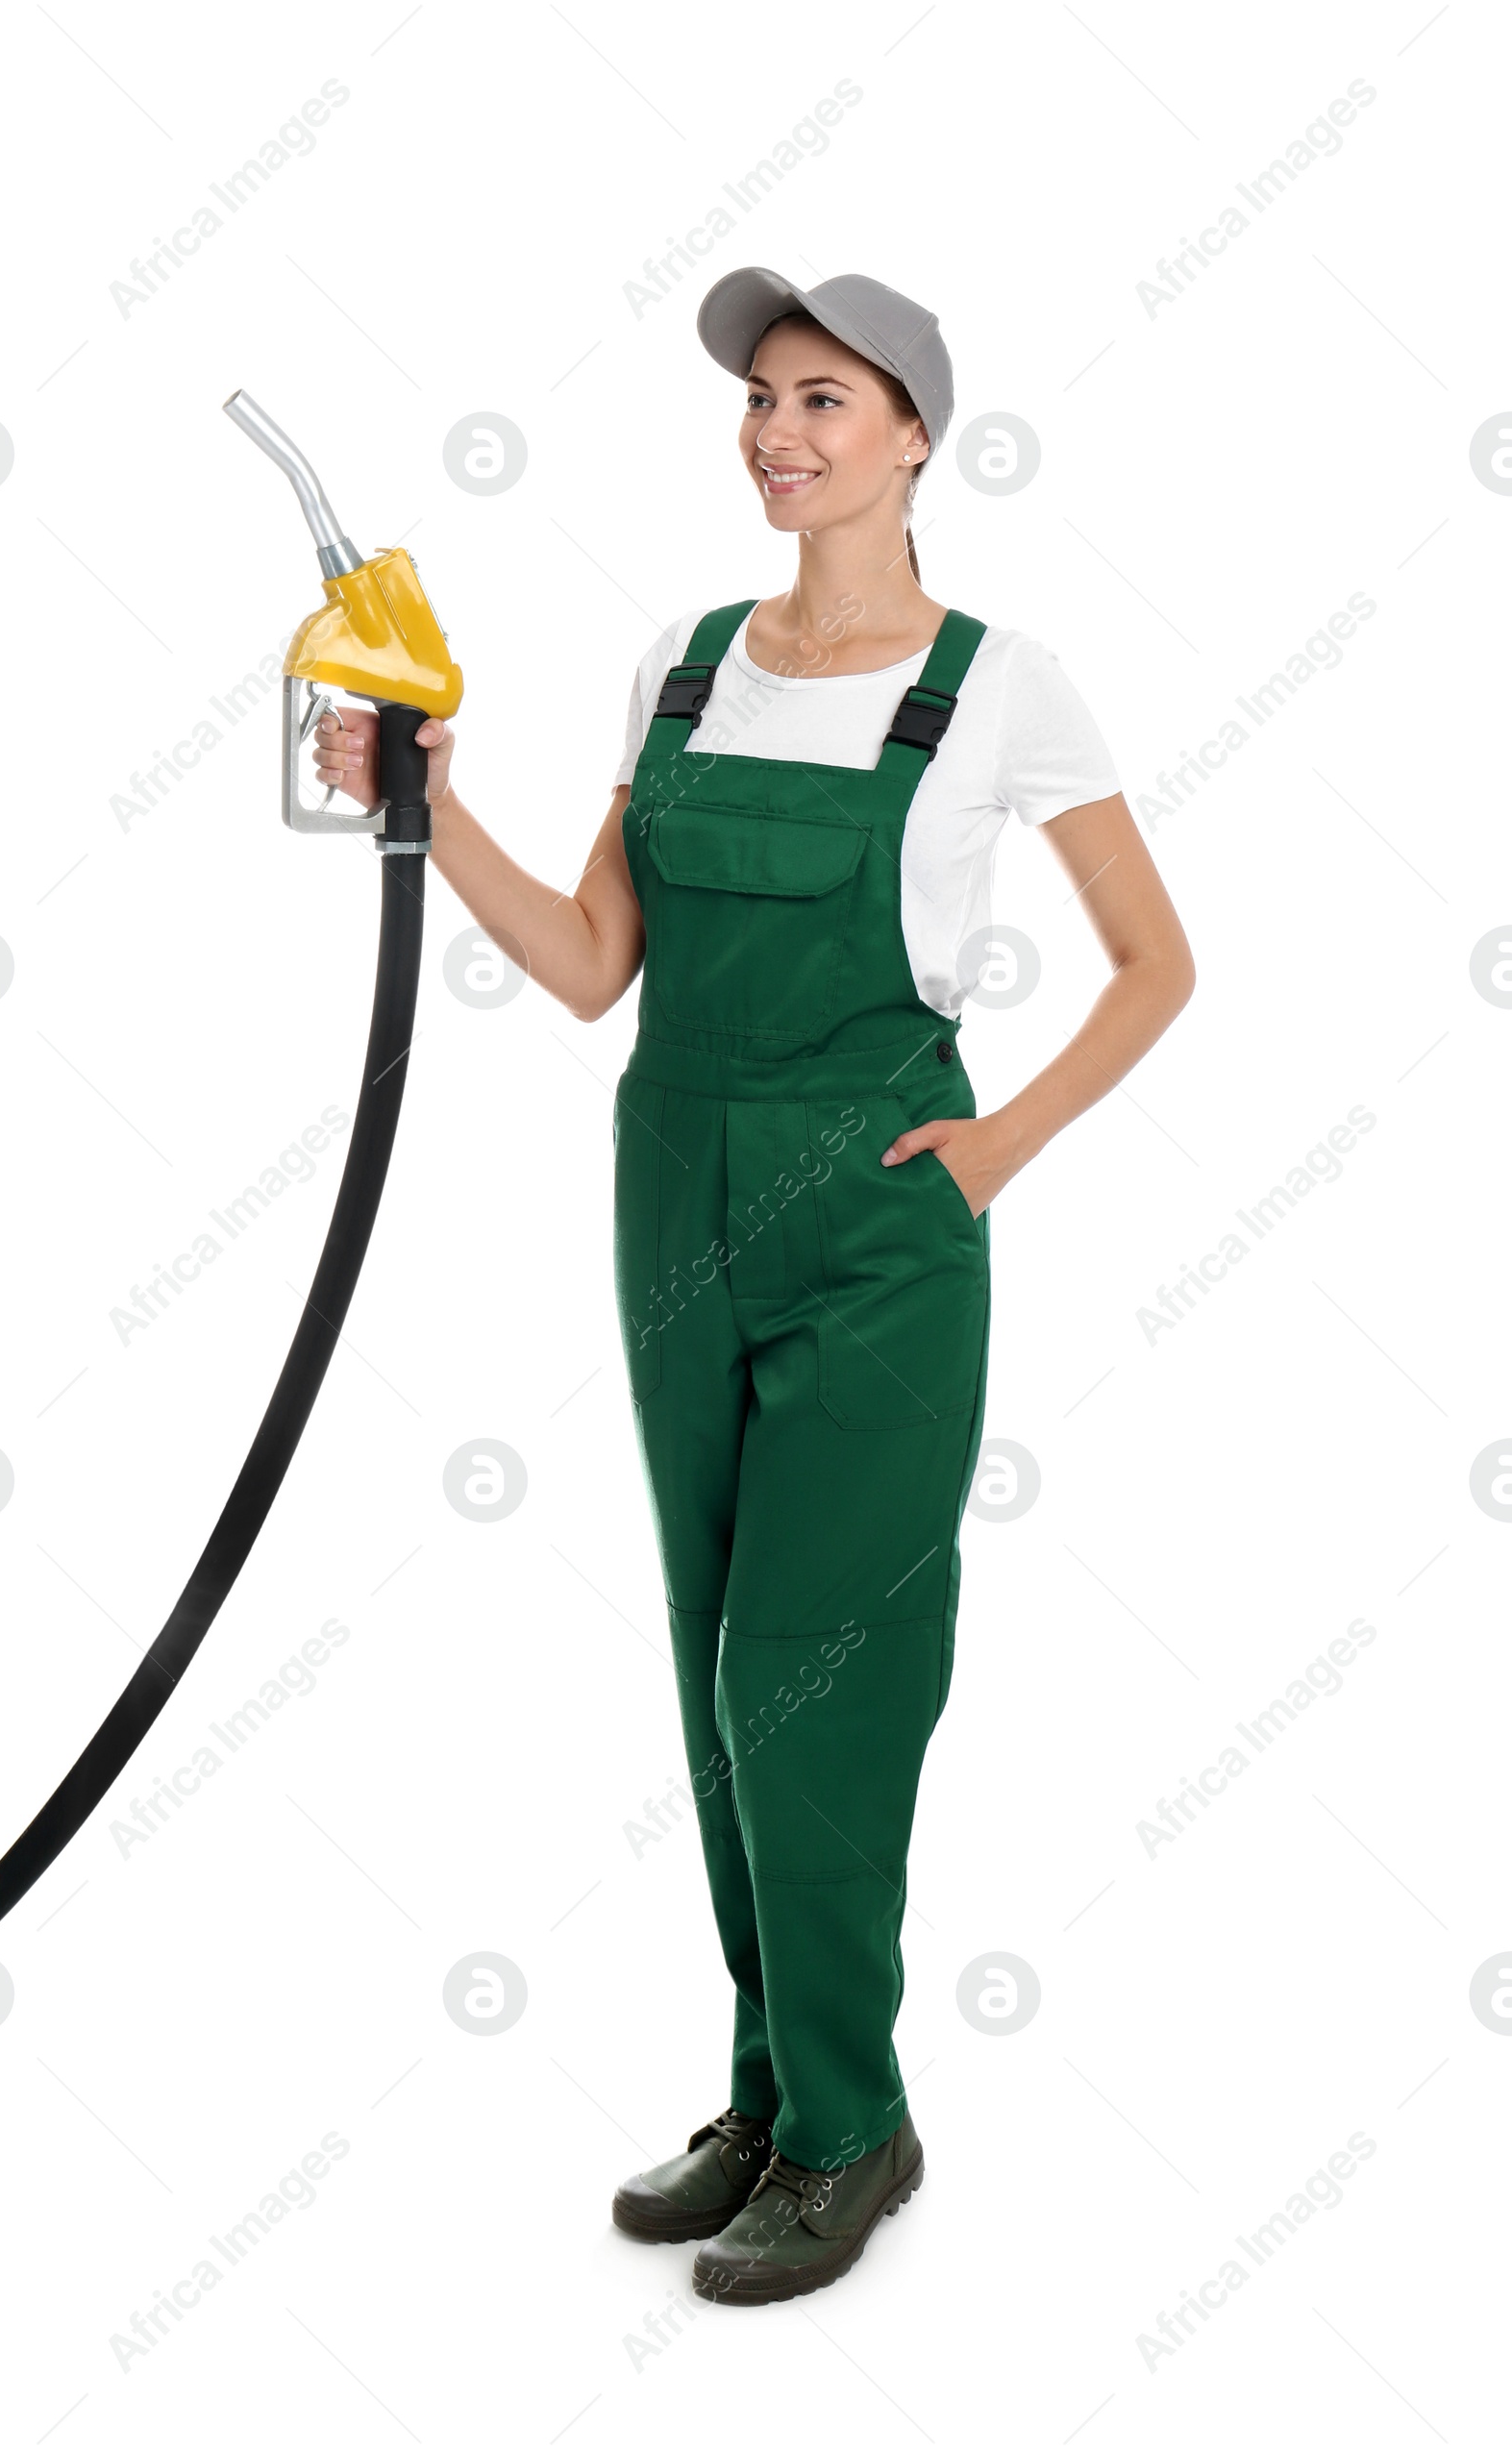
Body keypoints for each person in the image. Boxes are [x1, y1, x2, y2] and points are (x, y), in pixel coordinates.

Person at [313, 267, 1195, 2307]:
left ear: (912, 435)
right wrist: (423, 808)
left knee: (819, 1682)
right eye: (758, 401)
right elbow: (593, 957)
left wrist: (996, 1144)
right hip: (670, 1188)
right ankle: (772, 2096)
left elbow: (1158, 963)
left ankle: (851, 2124)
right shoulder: (685, 662)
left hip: (878, 1221)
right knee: (719, 1671)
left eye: (820, 399)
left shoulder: (998, 686)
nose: (775, 432)